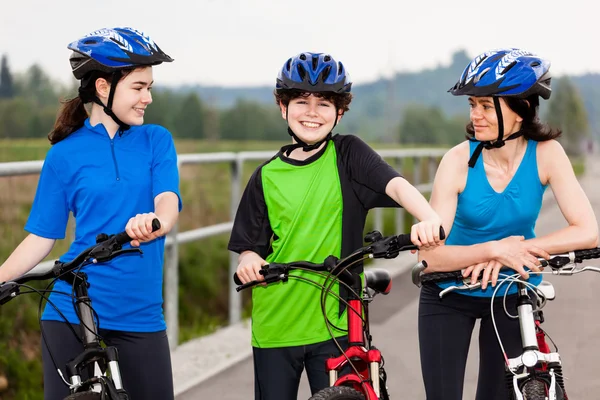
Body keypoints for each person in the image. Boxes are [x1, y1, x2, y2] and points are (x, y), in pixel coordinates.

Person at [228, 52, 443, 400]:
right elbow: (249, 245)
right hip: (275, 325)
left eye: (324, 103)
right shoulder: (265, 176)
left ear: (340, 111)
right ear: (283, 106)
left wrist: (428, 217)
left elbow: (396, 185)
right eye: (301, 101)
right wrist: (249, 261)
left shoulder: (348, 154)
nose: (312, 112)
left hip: (337, 322)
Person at [0, 27, 181, 400]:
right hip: (70, 309)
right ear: (103, 87)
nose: (147, 97)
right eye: (139, 87)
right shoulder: (64, 155)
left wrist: (155, 222)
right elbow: (42, 236)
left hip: (139, 313)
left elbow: (168, 201)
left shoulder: (155, 140)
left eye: (150, 87)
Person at [417, 48, 599, 400]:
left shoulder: (546, 154)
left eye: (486, 106)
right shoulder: (457, 160)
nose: (475, 115)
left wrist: (512, 254)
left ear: (521, 109)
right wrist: (493, 249)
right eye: (473, 105)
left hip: (512, 290)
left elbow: (587, 230)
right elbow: (430, 258)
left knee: (498, 393)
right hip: (447, 291)